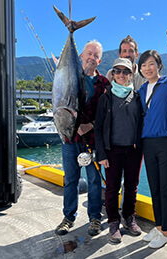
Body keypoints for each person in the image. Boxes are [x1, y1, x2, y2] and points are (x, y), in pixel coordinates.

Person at [55, 40, 110, 236]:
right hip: (70, 140)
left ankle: (95, 218)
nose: (92, 58)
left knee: (94, 181)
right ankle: (68, 217)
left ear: (100, 60)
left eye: (96, 55)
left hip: (92, 141)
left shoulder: (104, 83)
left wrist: (91, 124)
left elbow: (107, 113)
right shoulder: (70, 77)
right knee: (70, 180)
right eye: (89, 53)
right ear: (81, 56)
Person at [95, 58, 143, 244]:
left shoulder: (137, 97)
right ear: (112, 74)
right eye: (118, 71)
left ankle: (129, 218)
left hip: (133, 150)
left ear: (131, 75)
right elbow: (98, 128)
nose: (121, 75)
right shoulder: (105, 98)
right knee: (112, 188)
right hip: (112, 150)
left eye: (126, 72)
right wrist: (101, 154)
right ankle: (114, 221)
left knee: (132, 187)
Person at [137, 50, 167, 249]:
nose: (147, 68)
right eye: (143, 65)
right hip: (148, 144)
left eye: (151, 64)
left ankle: (166, 231)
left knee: (166, 189)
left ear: (159, 65)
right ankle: (158, 225)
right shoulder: (142, 90)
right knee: (154, 188)